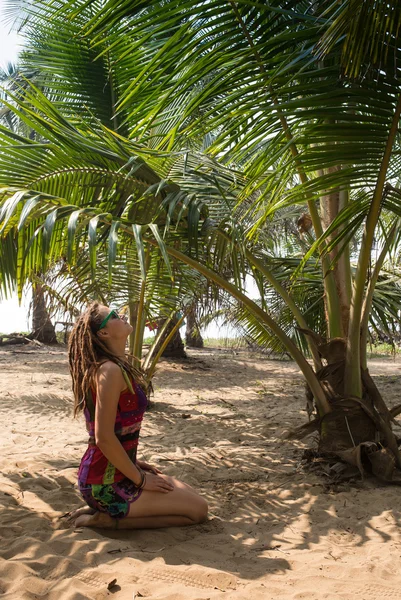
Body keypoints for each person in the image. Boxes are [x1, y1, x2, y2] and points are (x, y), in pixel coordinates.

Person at [67, 302, 208, 529]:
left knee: (189, 495)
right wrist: (140, 479)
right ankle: (105, 520)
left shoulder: (114, 367)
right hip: (104, 483)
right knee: (198, 511)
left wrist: (134, 463)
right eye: (113, 315)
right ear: (103, 332)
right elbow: (103, 437)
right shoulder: (110, 371)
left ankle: (105, 509)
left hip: (115, 472)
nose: (121, 314)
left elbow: (107, 432)